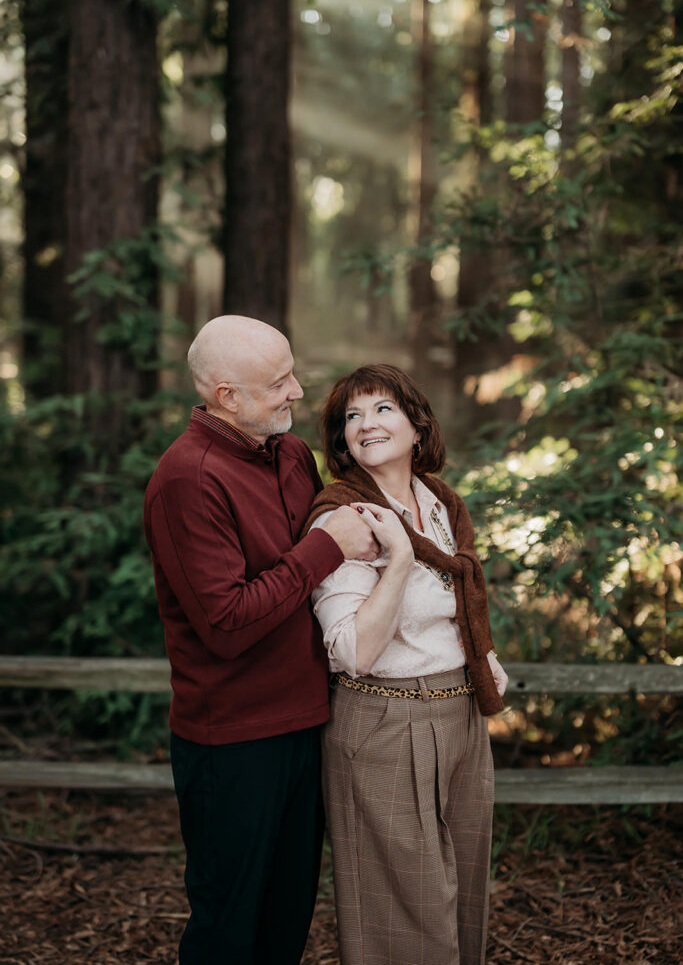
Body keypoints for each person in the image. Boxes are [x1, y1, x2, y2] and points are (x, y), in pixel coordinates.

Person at [143, 316, 376, 965]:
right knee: (229, 927)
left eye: (291, 374)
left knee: (286, 918)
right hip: (232, 742)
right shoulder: (187, 479)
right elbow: (226, 624)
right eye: (277, 383)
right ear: (226, 397)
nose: (297, 391)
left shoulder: (293, 454)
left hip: (307, 724)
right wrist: (323, 549)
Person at [305, 363, 508, 965]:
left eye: (382, 408)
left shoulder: (441, 503)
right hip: (385, 725)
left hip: (461, 718)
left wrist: (483, 656)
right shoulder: (342, 516)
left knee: (462, 900)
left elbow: (455, 601)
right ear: (342, 443)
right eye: (352, 416)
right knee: (404, 915)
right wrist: (395, 560)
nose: (365, 424)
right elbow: (351, 652)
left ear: (418, 426)